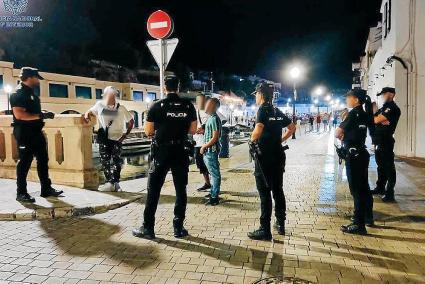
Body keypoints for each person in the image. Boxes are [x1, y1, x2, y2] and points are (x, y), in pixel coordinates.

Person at [132, 75, 197, 239]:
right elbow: (193, 130)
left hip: (162, 152)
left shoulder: (157, 106)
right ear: (178, 86)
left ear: (165, 86)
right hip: (180, 151)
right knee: (181, 190)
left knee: (153, 190)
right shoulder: (188, 106)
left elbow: (148, 131)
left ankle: (148, 228)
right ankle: (178, 228)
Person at [248, 83, 296, 240]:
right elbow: (292, 127)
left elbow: (258, 129)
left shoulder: (262, 110)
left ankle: (264, 229)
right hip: (278, 155)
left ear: (261, 94)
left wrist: (252, 139)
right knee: (278, 190)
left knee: (264, 192)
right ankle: (281, 223)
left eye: (256, 94)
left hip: (264, 158)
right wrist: (280, 140)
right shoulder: (276, 110)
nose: (255, 97)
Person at [10, 67, 63, 203]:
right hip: (24, 134)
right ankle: (21, 193)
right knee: (24, 163)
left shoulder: (31, 93)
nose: (38, 81)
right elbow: (19, 114)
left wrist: (43, 113)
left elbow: (32, 110)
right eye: (36, 78)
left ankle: (46, 189)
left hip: (36, 132)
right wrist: (41, 115)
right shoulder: (18, 93)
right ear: (29, 77)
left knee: (43, 160)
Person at [335, 89, 372, 235]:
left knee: (357, 190)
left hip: (354, 155)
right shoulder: (364, 113)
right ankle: (367, 217)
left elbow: (337, 132)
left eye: (348, 97)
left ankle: (359, 224)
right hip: (361, 153)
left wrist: (343, 135)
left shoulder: (353, 114)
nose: (347, 100)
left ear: (356, 100)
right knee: (364, 188)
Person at [84, 86, 134, 192]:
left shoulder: (121, 108)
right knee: (106, 162)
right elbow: (90, 111)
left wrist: (125, 135)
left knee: (116, 162)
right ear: (105, 95)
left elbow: (131, 121)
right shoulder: (100, 105)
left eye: (112, 94)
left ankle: (114, 183)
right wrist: (87, 114)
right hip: (105, 138)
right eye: (108, 94)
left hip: (117, 139)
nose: (110, 96)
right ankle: (112, 183)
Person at [370, 87, 401, 202]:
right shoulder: (384, 107)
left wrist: (378, 119)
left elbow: (376, 120)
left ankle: (390, 193)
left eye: (384, 94)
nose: (382, 96)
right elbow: (374, 118)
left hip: (386, 141)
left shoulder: (392, 108)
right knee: (381, 166)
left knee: (389, 167)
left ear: (391, 94)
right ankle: (380, 187)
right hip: (379, 141)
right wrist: (377, 117)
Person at [200, 98, 222, 206]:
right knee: (213, 173)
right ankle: (213, 192)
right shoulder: (211, 118)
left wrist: (204, 146)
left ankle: (214, 197)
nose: (206, 105)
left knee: (215, 174)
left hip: (211, 151)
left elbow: (215, 137)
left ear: (214, 106)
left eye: (208, 104)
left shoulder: (214, 119)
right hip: (209, 151)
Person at [193, 93, 211, 192]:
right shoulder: (195, 111)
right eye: (198, 100)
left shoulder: (209, 111)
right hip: (197, 142)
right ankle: (207, 183)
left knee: (210, 164)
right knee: (200, 164)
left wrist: (205, 130)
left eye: (201, 100)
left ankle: (214, 185)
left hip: (207, 142)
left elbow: (221, 121)